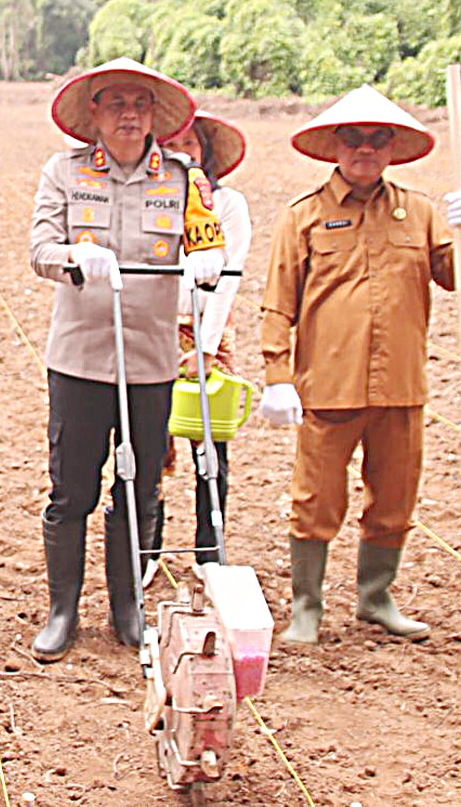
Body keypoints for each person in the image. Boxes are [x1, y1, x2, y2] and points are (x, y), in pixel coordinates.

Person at [258, 84, 461, 645]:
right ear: (337, 145)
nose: (365, 150)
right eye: (354, 139)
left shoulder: (420, 213)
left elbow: (454, 278)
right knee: (315, 501)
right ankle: (307, 606)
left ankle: (375, 597)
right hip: (328, 387)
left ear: (391, 148)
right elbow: (277, 301)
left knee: (395, 499)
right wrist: (278, 377)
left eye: (377, 140)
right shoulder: (304, 217)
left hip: (401, 386)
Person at [28, 58, 227, 661]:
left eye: (138, 105)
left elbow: (207, 240)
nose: (127, 116)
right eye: (114, 104)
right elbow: (39, 249)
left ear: (153, 117)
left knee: (138, 487)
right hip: (80, 359)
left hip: (149, 361)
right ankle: (63, 610)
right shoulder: (63, 172)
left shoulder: (183, 177)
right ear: (94, 113)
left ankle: (127, 608)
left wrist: (206, 263)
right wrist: (73, 256)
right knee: (72, 489)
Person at [150, 110, 252, 577]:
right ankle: (148, 547)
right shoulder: (151, 203)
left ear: (205, 152)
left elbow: (228, 280)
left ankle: (209, 551)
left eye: (191, 145)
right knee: (148, 442)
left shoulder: (229, 206)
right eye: (172, 146)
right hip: (154, 332)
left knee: (209, 445)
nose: (183, 154)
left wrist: (206, 347)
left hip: (210, 328)